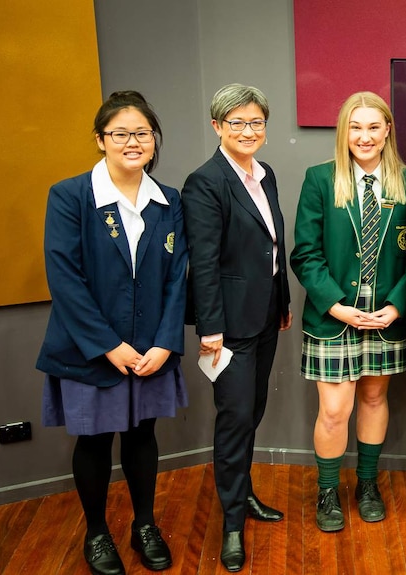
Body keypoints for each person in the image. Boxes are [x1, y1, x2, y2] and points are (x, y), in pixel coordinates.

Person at [37, 91, 187, 575]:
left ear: (154, 139)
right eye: (120, 133)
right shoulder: (70, 196)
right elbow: (64, 278)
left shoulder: (170, 201)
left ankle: (144, 525)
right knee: (95, 442)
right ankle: (97, 533)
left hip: (151, 349)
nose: (132, 141)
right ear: (100, 140)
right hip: (91, 350)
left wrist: (165, 341)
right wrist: (109, 345)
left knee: (143, 436)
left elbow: (177, 275)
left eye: (142, 133)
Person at [290, 91, 406, 532]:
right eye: (355, 127)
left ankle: (366, 485)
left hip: (384, 321)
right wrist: (336, 306)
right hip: (333, 318)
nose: (364, 136)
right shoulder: (320, 179)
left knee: (375, 398)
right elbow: (304, 254)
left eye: (373, 127)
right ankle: (328, 490)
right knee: (334, 411)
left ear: (387, 132)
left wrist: (397, 306)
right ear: (344, 131)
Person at [181, 84, 292, 573]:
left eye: (256, 123)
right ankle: (230, 525)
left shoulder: (264, 174)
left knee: (253, 412)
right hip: (227, 326)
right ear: (216, 127)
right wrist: (210, 327)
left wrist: (282, 300)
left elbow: (272, 244)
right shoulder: (204, 182)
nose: (248, 131)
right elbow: (203, 262)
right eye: (237, 123)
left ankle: (243, 495)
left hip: (265, 313)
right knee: (233, 419)